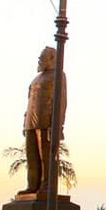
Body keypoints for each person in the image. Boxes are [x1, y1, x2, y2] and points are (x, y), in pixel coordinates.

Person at [22, 46, 66, 195]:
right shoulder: (37, 78)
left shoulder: (58, 76)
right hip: (31, 122)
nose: (39, 60)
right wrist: (25, 120)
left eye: (42, 58)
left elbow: (61, 101)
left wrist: (57, 124)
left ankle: (47, 186)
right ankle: (32, 185)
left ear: (52, 58)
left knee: (46, 157)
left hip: (46, 122)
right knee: (31, 157)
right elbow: (30, 101)